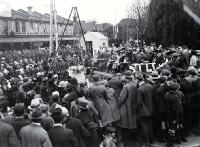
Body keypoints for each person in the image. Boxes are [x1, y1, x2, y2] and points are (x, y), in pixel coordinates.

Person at [117, 70, 138, 147]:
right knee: (133, 120)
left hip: (127, 106)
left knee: (125, 122)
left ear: (126, 78)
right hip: (134, 104)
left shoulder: (126, 86)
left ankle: (127, 140)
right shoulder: (135, 84)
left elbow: (121, 98)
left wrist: (118, 105)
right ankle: (134, 137)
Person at [136, 73, 154, 146]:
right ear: (143, 79)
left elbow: (139, 102)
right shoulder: (150, 86)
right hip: (150, 109)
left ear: (138, 80)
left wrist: (136, 108)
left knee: (144, 126)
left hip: (143, 111)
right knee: (149, 125)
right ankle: (151, 140)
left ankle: (146, 142)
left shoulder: (140, 89)